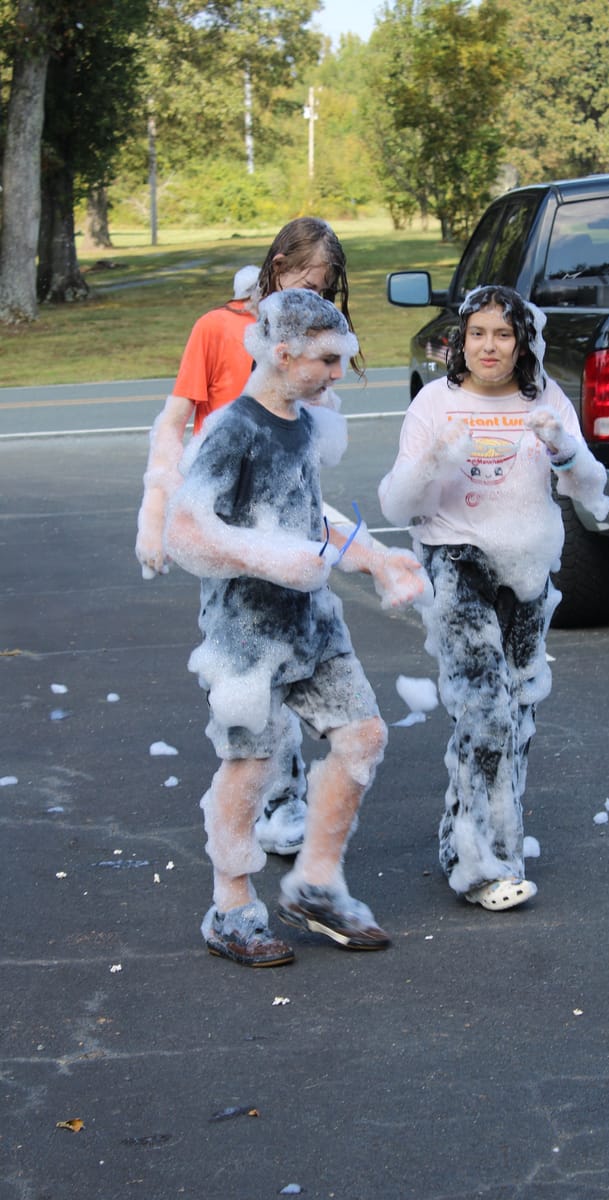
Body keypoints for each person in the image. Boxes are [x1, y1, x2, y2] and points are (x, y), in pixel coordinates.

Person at [164, 288, 423, 967]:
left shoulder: (303, 423)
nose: (339, 373)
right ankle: (231, 911)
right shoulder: (233, 429)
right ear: (283, 352)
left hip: (312, 624)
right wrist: (273, 557)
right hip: (245, 634)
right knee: (251, 763)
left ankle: (316, 884)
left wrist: (377, 559)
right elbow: (184, 531)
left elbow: (309, 518)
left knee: (363, 736)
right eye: (328, 360)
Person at [378, 285, 609, 911]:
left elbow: (592, 488)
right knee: (483, 708)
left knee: (519, 710)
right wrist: (432, 458)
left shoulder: (546, 399)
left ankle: (469, 844)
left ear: (523, 342)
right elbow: (397, 505)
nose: (489, 346)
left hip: (528, 564)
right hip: (457, 559)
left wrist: (563, 447)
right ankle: (486, 866)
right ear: (460, 340)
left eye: (503, 335)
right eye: (477, 333)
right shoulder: (435, 402)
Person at [134, 218, 359, 857]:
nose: (315, 298)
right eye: (307, 284)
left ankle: (283, 804)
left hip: (288, 525)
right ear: (278, 264)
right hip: (227, 531)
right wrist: (155, 509)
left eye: (324, 291)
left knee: (299, 659)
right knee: (250, 678)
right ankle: (264, 811)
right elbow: (173, 424)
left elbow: (315, 435)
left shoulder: (312, 340)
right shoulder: (218, 328)